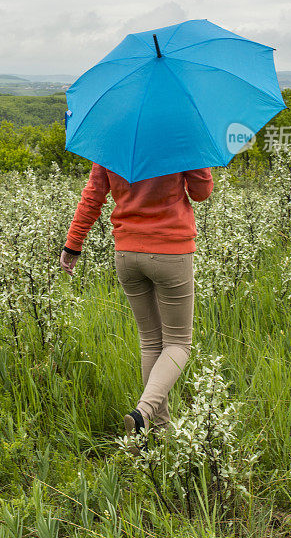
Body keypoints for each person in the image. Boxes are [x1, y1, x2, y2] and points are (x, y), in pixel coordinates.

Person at [60, 163, 214, 438]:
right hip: (171, 252)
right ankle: (143, 412)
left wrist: (73, 245)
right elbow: (202, 193)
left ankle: (159, 433)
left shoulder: (111, 136)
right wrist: (199, 164)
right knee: (178, 343)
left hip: (126, 254)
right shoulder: (180, 135)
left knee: (151, 342)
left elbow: (92, 197)